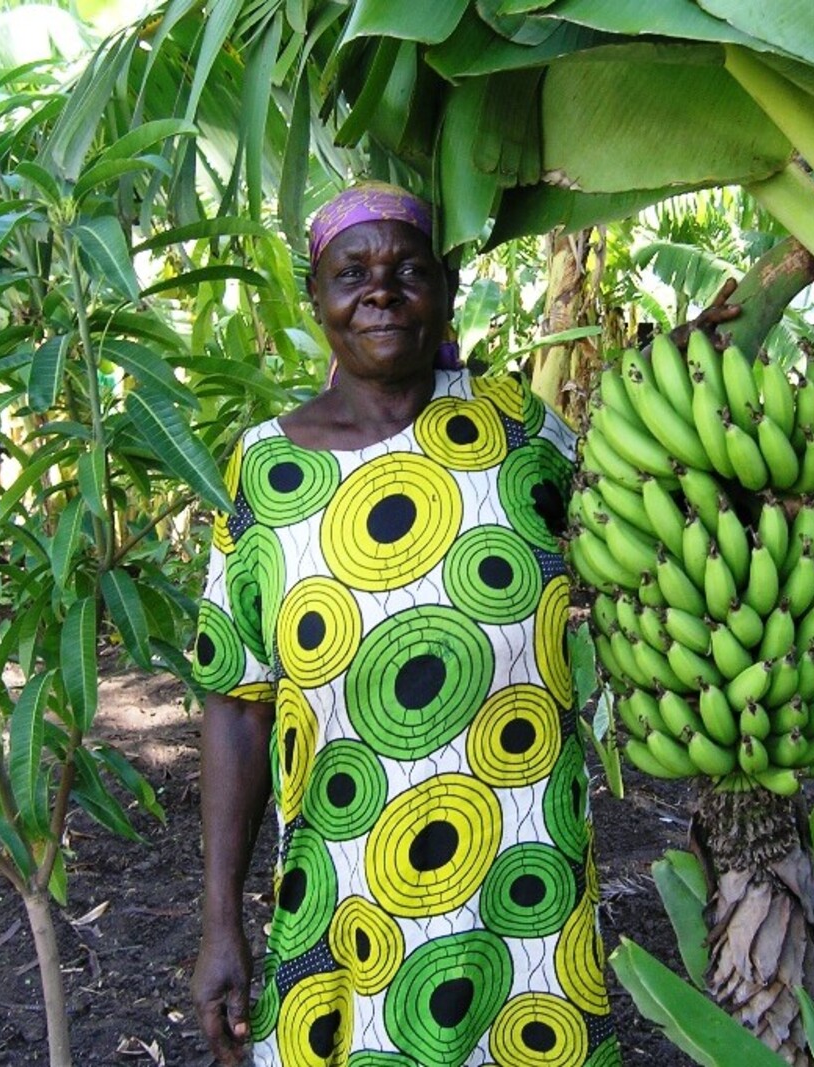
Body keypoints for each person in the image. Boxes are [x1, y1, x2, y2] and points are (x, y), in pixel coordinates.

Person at [189, 181, 622, 1067]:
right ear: (315, 299)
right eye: (352, 274)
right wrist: (220, 923)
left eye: (408, 270)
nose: (380, 292)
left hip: (523, 890)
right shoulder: (266, 469)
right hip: (349, 901)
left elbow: (634, 542)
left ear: (446, 291)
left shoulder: (521, 429)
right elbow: (236, 702)